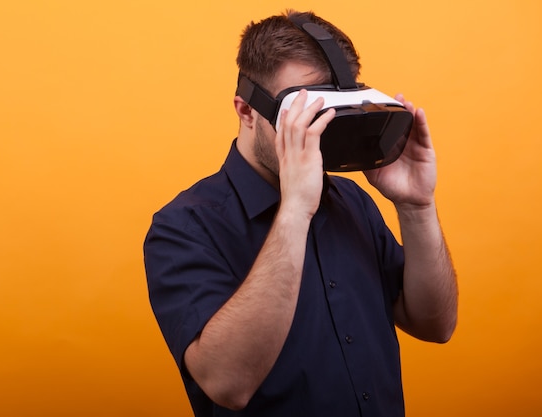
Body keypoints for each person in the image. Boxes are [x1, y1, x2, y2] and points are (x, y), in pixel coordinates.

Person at [143, 9, 458, 417]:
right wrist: (295, 209)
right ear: (247, 111)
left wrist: (417, 206)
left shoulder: (352, 202)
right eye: (304, 112)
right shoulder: (184, 227)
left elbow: (435, 325)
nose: (319, 131)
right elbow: (226, 383)